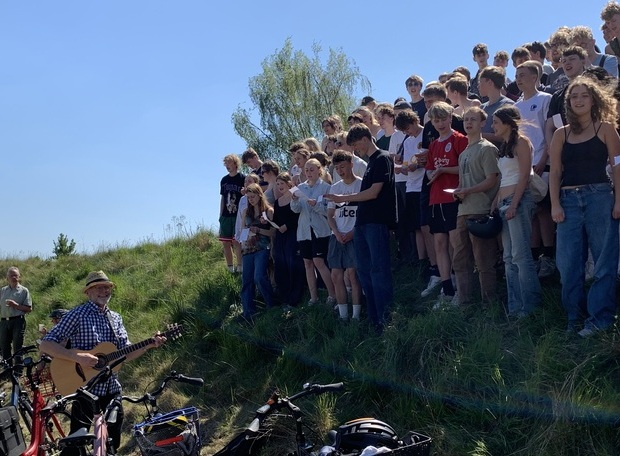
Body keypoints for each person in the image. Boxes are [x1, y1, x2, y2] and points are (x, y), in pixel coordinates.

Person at [40, 271, 166, 456]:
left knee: (112, 442)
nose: (104, 291)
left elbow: (126, 353)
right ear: (88, 292)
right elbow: (46, 344)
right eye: (99, 287)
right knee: (76, 443)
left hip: (111, 388)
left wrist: (149, 345)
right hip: (84, 389)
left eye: (107, 287)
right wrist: (77, 357)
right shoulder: (77, 315)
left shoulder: (115, 318)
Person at [549, 76, 620, 337]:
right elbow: (555, 172)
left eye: (584, 95)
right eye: (574, 96)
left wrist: (619, 201)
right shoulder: (561, 133)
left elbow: (618, 167)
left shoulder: (606, 129)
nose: (579, 100)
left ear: (594, 99)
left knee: (604, 262)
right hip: (568, 202)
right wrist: (555, 204)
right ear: (568, 102)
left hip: (600, 198)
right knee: (568, 265)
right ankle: (574, 319)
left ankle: (600, 318)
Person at [325, 124, 396, 334]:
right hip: (363, 224)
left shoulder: (382, 158)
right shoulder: (371, 163)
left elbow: (373, 193)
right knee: (364, 272)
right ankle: (374, 319)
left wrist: (342, 198)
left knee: (378, 270)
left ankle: (386, 318)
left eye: (356, 145)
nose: (356, 150)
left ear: (365, 139)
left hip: (376, 223)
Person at [492, 106, 542, 318]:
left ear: (507, 123)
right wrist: (496, 201)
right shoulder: (504, 145)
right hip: (504, 202)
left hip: (517, 202)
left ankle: (530, 308)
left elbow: (524, 176)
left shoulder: (522, 142)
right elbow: (504, 177)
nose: (493, 126)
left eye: (495, 122)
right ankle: (515, 307)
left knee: (521, 256)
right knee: (509, 257)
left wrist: (513, 205)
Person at [452, 107, 500, 307]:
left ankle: (490, 305)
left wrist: (469, 190)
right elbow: (465, 182)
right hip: (463, 210)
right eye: (466, 119)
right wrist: (458, 191)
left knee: (484, 261)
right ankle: (465, 303)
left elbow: (492, 180)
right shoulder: (463, 153)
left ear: (482, 123)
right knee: (460, 260)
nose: (468, 122)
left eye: (473, 119)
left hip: (481, 210)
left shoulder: (487, 148)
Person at [425, 102, 469, 308]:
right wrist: (433, 173)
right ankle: (447, 288)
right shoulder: (433, 145)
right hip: (435, 199)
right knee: (439, 244)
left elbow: (464, 167)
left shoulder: (460, 139)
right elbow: (429, 169)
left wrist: (443, 171)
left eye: (443, 119)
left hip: (453, 197)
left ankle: (462, 287)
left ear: (451, 118)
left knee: (456, 243)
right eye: (436, 120)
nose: (440, 123)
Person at [290, 158, 336, 306]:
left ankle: (332, 294)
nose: (309, 173)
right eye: (307, 170)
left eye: (312, 169)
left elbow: (328, 211)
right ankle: (313, 297)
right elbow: (295, 210)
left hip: (320, 230)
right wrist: (294, 199)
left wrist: (316, 205)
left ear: (319, 170)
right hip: (304, 231)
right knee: (307, 263)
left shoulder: (326, 188)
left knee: (319, 261)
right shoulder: (300, 188)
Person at [327, 151, 363, 321]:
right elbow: (330, 215)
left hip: (355, 235)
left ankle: (356, 315)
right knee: (336, 275)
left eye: (342, 166)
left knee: (353, 274)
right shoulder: (335, 188)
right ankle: (343, 316)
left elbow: (365, 214)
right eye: (337, 168)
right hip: (337, 236)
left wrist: (352, 233)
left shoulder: (361, 185)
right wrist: (336, 232)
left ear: (350, 163)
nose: (340, 170)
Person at [239, 183, 276, 320]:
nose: (250, 200)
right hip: (248, 249)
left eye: (253, 197)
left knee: (259, 276)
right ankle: (248, 312)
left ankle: (270, 304)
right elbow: (243, 230)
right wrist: (245, 239)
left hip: (262, 247)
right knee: (246, 280)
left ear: (259, 195)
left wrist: (259, 230)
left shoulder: (268, 211)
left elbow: (272, 232)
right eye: (248, 197)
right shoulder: (245, 212)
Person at [271, 173, 305, 309]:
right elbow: (276, 221)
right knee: (281, 265)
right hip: (281, 236)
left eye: (282, 183)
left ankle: (295, 298)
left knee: (293, 263)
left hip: (293, 234)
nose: (280, 186)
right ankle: (284, 297)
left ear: (288, 184)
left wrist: (287, 225)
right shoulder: (277, 202)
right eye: (277, 184)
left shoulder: (294, 196)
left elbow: (298, 216)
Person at [0, 266, 32, 364]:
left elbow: (29, 309)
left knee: (17, 346)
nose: (13, 277)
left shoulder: (24, 291)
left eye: (15, 275)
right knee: (4, 346)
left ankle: (18, 369)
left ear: (19, 277)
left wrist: (15, 305)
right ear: (7, 278)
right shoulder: (3, 290)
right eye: (11, 275)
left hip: (18, 320)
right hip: (4, 321)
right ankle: (7, 370)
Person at [220, 154, 245, 273]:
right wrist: (220, 215)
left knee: (237, 241)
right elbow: (223, 198)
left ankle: (240, 266)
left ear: (235, 163)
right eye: (225, 163)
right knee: (225, 241)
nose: (227, 166)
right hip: (226, 215)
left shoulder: (242, 178)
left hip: (237, 214)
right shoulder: (224, 180)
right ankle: (230, 268)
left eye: (229, 163)